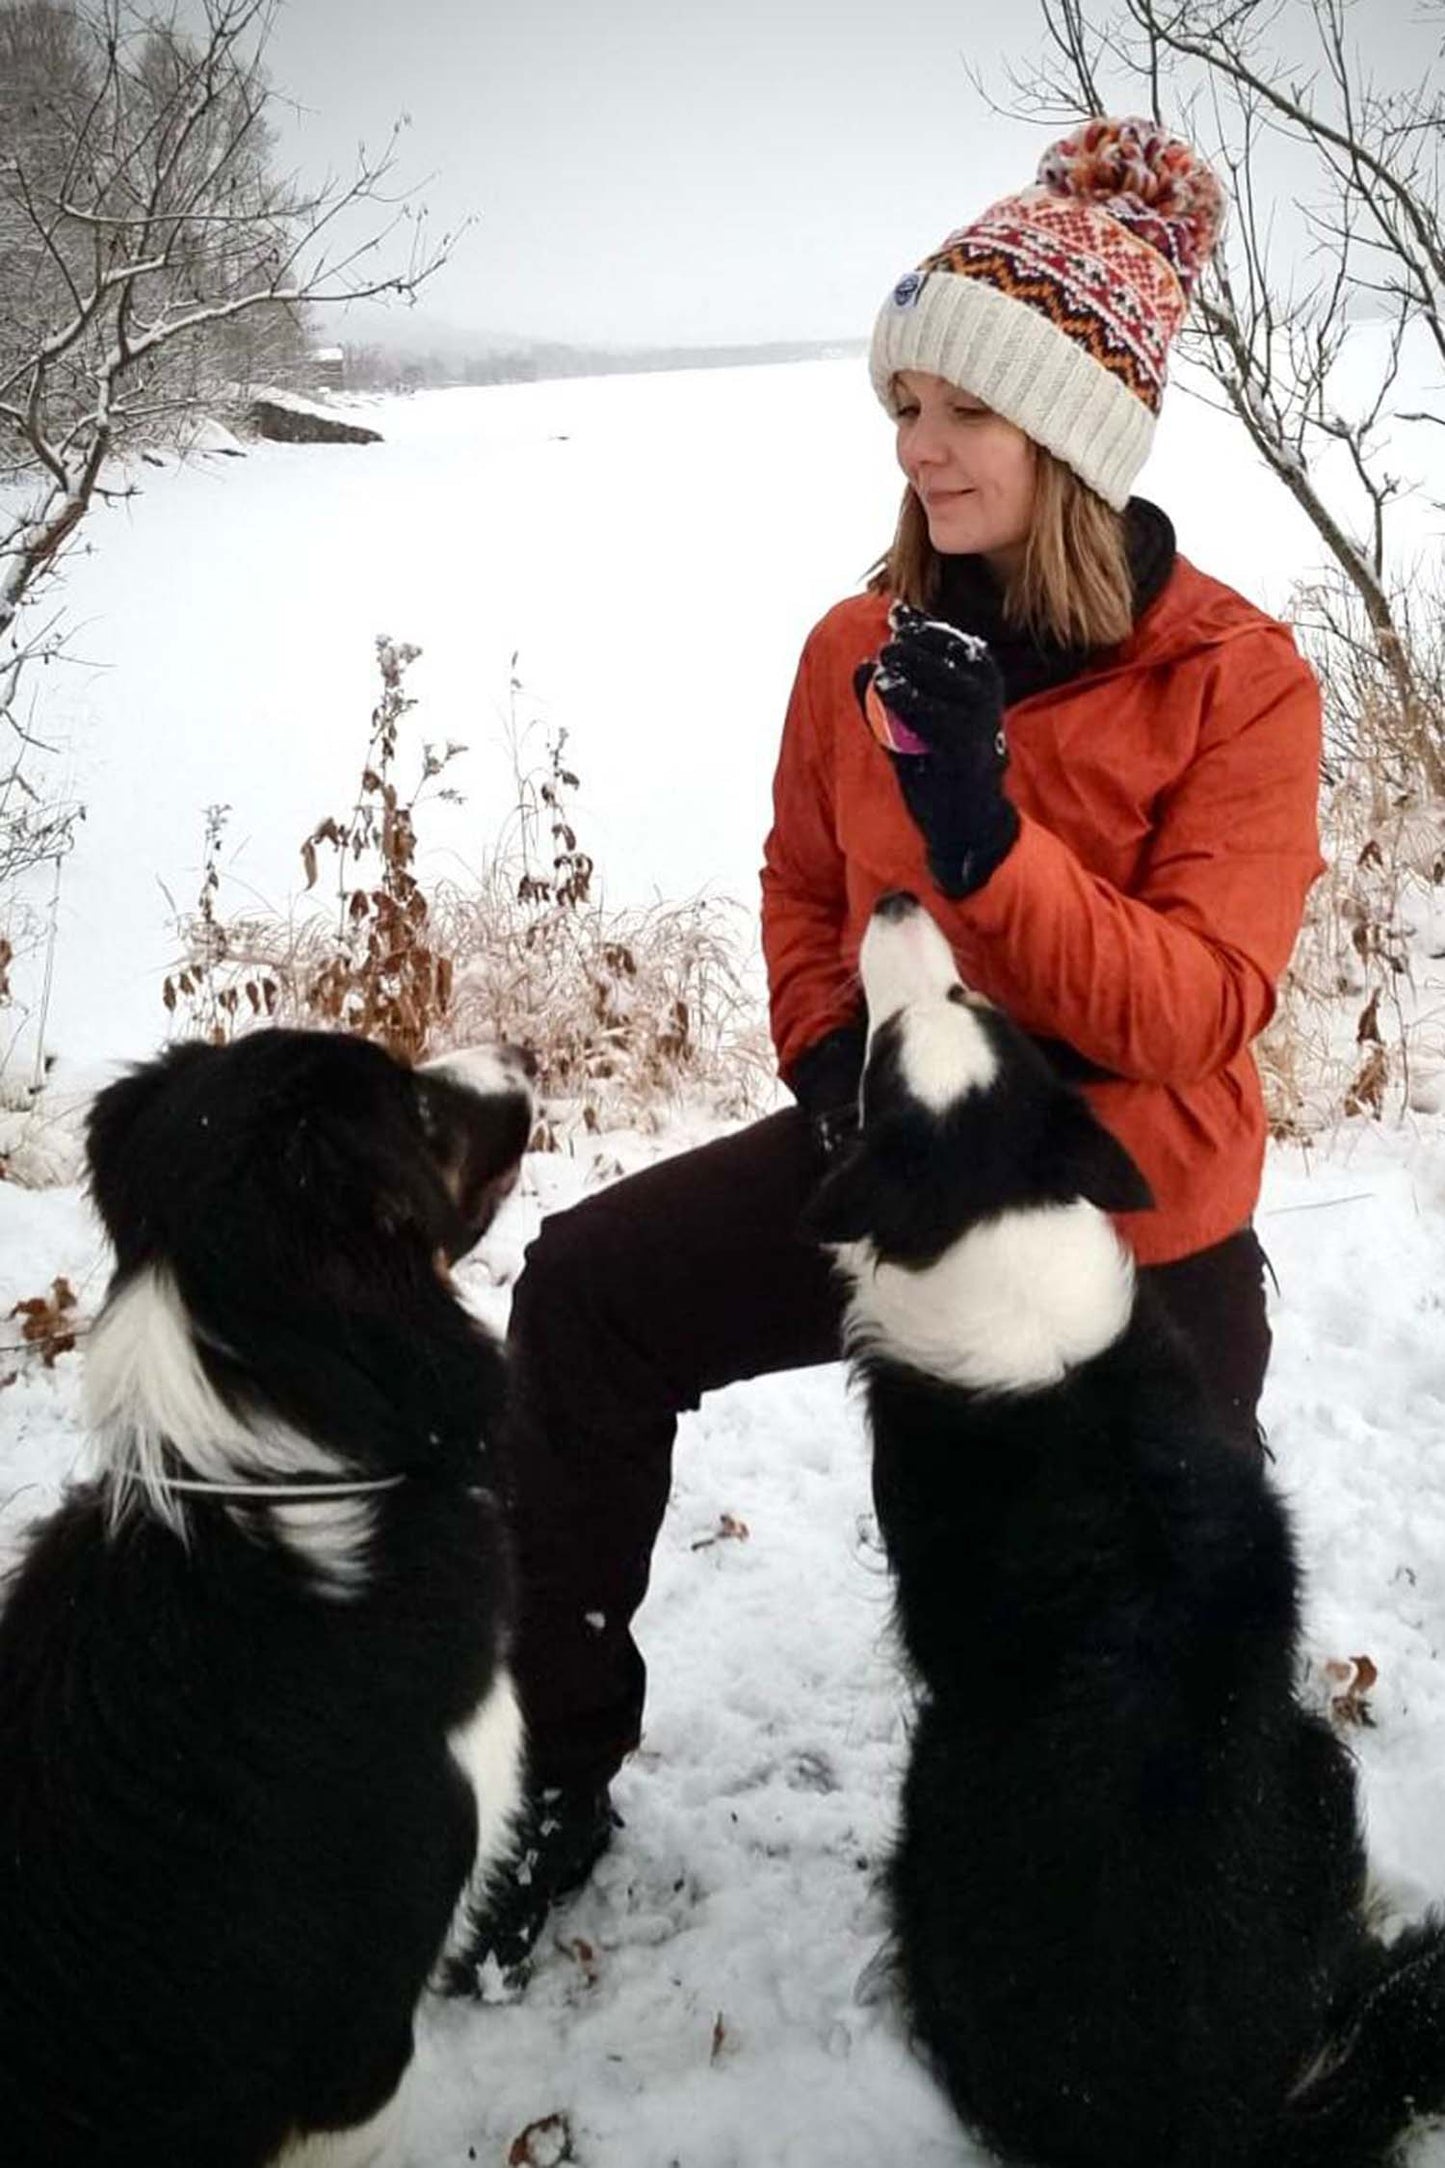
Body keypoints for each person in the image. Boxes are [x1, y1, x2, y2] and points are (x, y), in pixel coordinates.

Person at [466, 116, 1324, 1981]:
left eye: (966, 412)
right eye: (903, 408)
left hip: (1125, 1228)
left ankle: (1157, 1902)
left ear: (1076, 432)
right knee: (590, 1295)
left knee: (1141, 1633)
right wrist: (822, 1069)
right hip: (895, 1155)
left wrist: (983, 842)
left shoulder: (1231, 680)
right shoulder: (858, 638)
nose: (920, 447)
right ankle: (546, 1765)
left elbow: (1195, 1009)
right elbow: (791, 885)